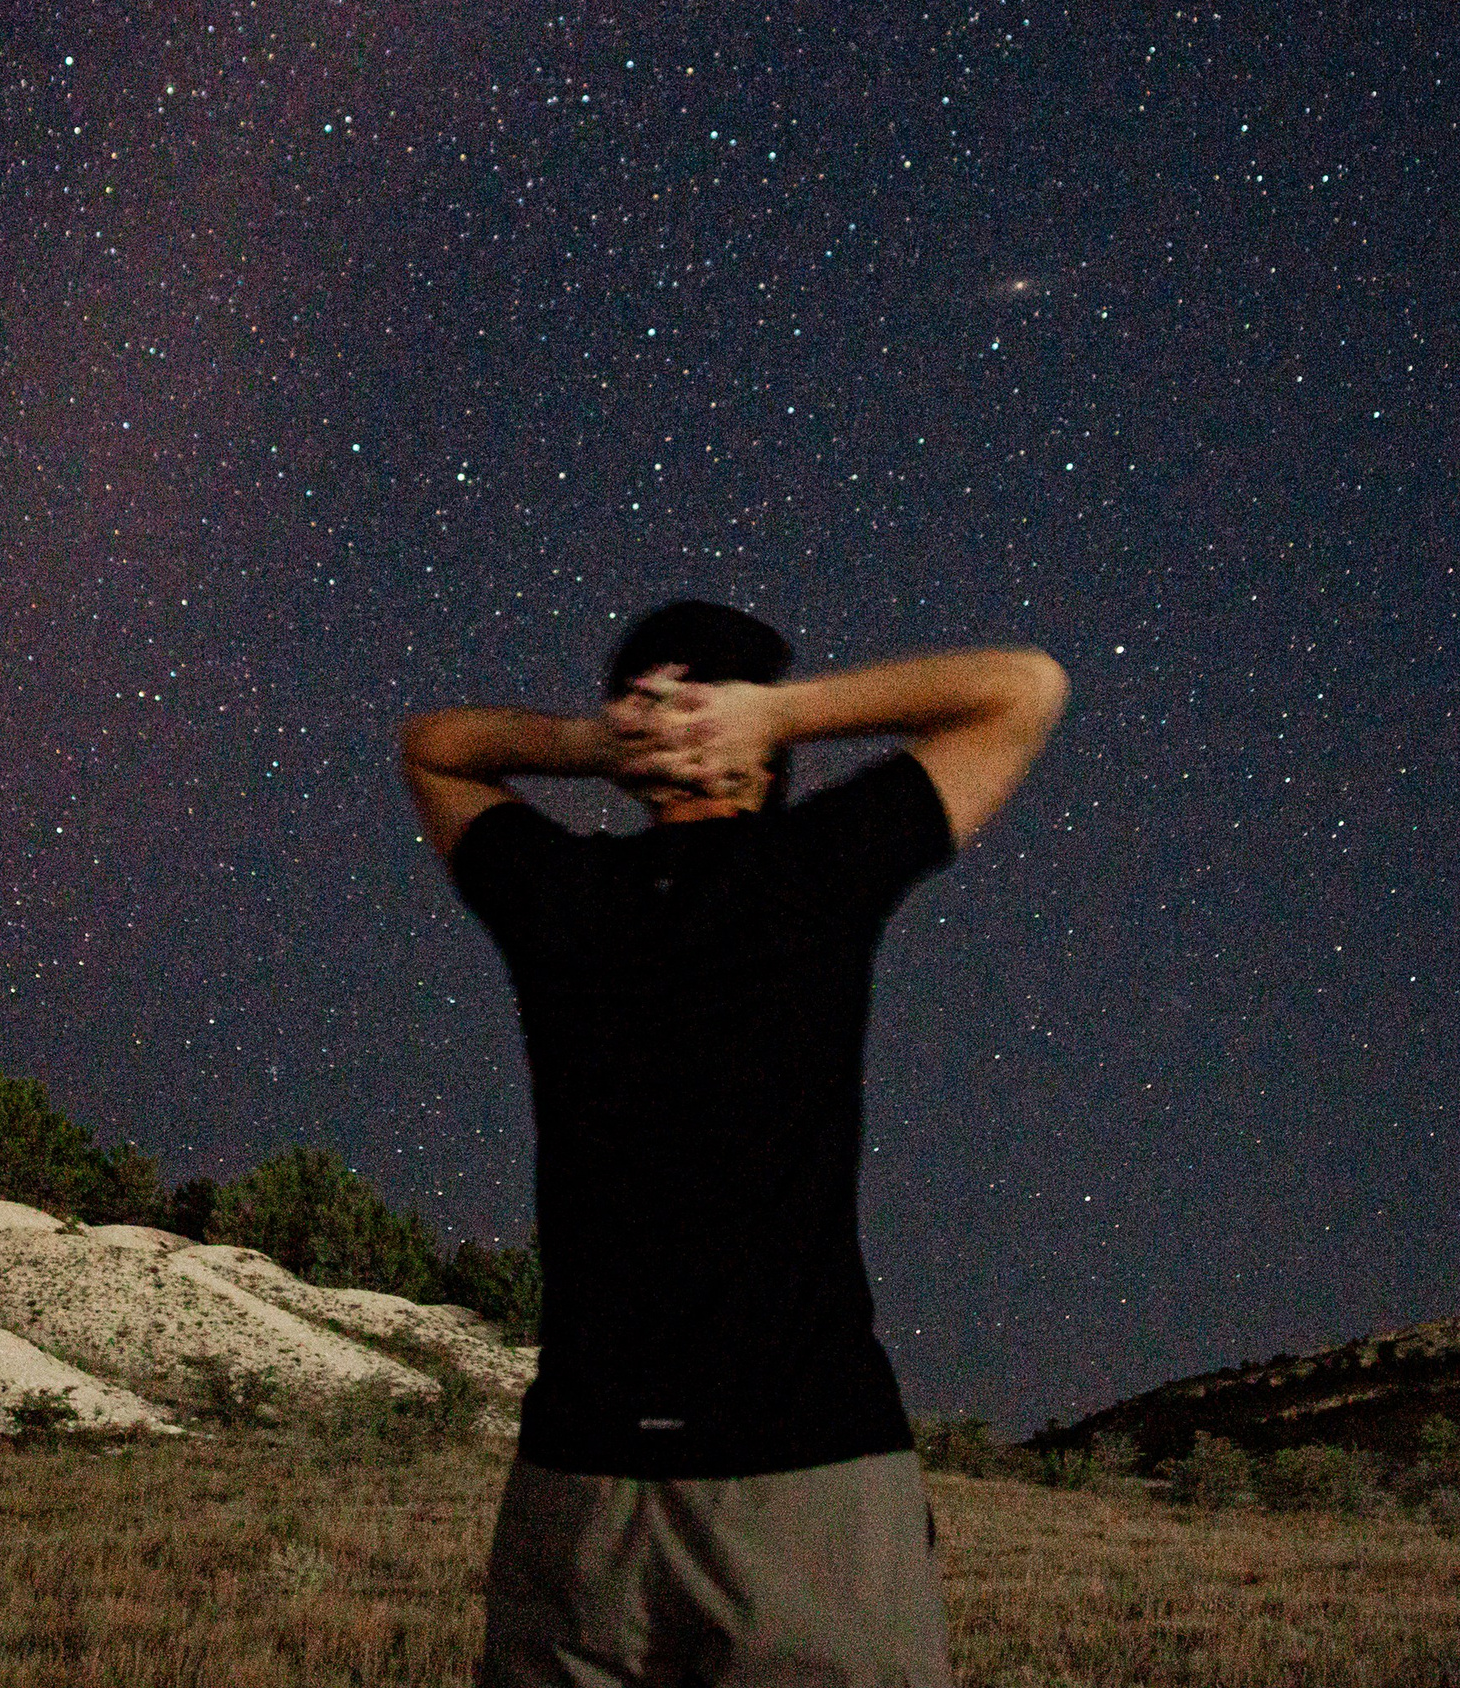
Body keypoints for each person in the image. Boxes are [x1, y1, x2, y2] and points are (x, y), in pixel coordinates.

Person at [400, 599, 1068, 1688]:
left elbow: (434, 749)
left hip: (582, 1474)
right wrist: (778, 716)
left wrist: (593, 745)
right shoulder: (814, 870)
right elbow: (1022, 688)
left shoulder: (566, 895)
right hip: (801, 1470)